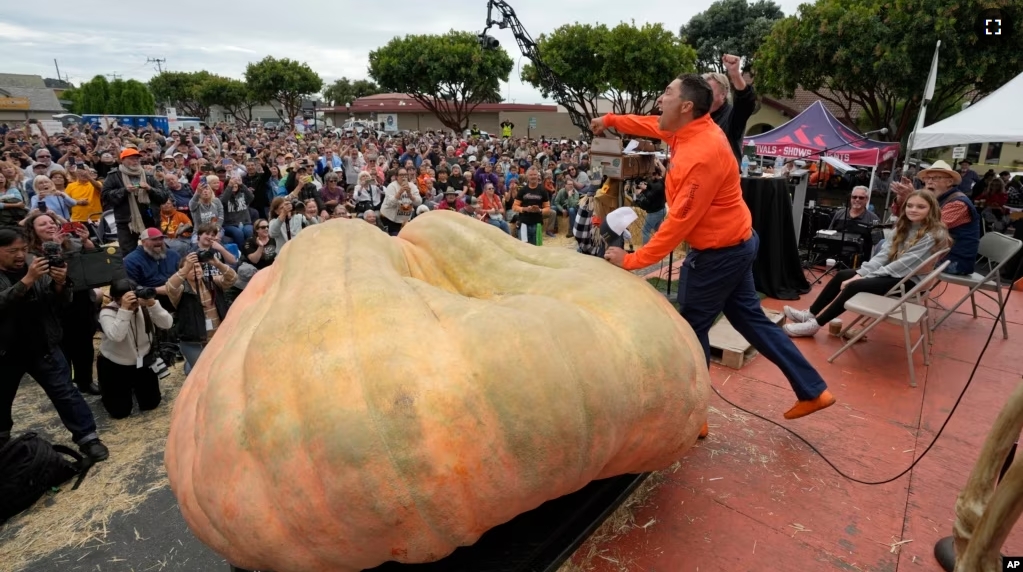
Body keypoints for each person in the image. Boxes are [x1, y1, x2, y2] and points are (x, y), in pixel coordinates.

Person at [593, 74, 835, 428]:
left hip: (719, 254)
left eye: (667, 92)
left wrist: (632, 260)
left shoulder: (701, 154)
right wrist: (612, 120)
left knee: (690, 328)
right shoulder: (689, 129)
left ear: (687, 106)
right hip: (737, 243)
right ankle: (813, 390)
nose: (661, 99)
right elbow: (651, 124)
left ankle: (696, 416)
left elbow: (678, 223)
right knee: (750, 320)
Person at [0, 228, 108, 461]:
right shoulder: (31, 271)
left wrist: (60, 284)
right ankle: (2, 439)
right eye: (12, 251)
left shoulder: (35, 263)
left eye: (23, 249)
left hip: (42, 345)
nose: (20, 255)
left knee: (65, 393)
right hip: (6, 351)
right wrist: (28, 280)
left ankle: (88, 438)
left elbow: (59, 302)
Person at [783, 190, 949, 337]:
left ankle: (815, 325)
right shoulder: (904, 226)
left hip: (909, 282)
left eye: (921, 207)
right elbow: (884, 255)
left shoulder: (933, 234)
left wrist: (861, 278)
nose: (913, 210)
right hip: (896, 274)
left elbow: (903, 265)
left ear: (931, 210)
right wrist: (861, 273)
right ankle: (811, 314)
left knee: (855, 285)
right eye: (910, 206)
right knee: (842, 275)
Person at [96, 278, 174, 418]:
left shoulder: (144, 306)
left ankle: (132, 390)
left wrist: (152, 304)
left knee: (151, 404)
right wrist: (125, 309)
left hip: (143, 361)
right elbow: (117, 336)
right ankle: (112, 392)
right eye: (124, 298)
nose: (132, 301)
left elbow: (167, 324)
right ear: (115, 298)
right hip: (116, 364)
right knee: (120, 413)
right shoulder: (107, 312)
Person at [889, 160, 979, 276]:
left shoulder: (959, 203)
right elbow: (899, 214)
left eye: (935, 178)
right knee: (888, 246)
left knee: (891, 251)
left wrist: (913, 197)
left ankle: (883, 286)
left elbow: (929, 228)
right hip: (933, 253)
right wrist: (902, 199)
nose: (929, 182)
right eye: (927, 178)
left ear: (950, 182)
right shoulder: (935, 199)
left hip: (953, 261)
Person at [101, 148, 169, 254]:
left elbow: (164, 197)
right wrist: (124, 191)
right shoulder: (114, 176)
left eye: (137, 159)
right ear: (122, 160)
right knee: (128, 253)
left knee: (157, 250)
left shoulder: (148, 175)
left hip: (150, 220)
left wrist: (149, 189)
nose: (136, 161)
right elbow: (105, 197)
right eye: (132, 159)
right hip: (127, 223)